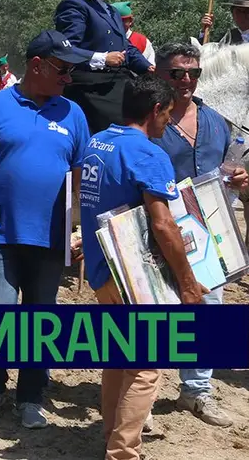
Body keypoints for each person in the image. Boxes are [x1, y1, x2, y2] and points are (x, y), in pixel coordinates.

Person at [0, 30, 92, 429]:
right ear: (37, 66)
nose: (68, 78)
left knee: (40, 321)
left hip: (51, 238)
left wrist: (76, 227)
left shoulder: (74, 114)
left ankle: (31, 396)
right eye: (63, 70)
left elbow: (80, 178)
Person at [78, 74, 209, 459]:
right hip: (133, 275)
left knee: (119, 356)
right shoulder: (149, 154)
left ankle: (109, 435)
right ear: (154, 111)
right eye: (167, 115)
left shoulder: (97, 142)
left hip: (103, 270)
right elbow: (163, 224)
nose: (169, 122)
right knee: (147, 367)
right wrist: (187, 284)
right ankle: (123, 452)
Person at [150, 41, 246, 427]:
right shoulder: (150, 122)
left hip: (210, 232)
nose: (186, 80)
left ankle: (196, 392)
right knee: (157, 313)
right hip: (158, 231)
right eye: (177, 73)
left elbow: (229, 175)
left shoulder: (216, 122)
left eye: (193, 73)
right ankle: (144, 395)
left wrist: (240, 179)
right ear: (159, 74)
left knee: (208, 310)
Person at [55, 0, 152, 135]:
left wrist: (148, 67)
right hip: (91, 87)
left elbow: (127, 47)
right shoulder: (74, 5)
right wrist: (103, 58)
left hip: (120, 82)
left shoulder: (111, 10)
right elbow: (65, 49)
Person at [111, 2, 155, 66]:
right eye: (113, 20)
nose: (117, 24)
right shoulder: (102, 38)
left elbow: (150, 66)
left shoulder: (142, 41)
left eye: (122, 20)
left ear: (130, 21)